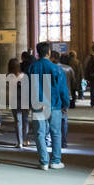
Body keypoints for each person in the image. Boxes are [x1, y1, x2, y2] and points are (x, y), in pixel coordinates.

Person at [29, 41, 69, 170]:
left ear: (38, 53)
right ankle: (55, 161)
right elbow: (63, 88)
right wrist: (65, 104)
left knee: (40, 133)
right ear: (49, 53)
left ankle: (44, 162)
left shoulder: (32, 68)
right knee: (56, 133)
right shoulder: (56, 68)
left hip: (38, 104)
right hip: (54, 104)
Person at [7, 58, 31, 148]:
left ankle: (19, 142)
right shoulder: (24, 76)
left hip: (14, 100)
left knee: (18, 121)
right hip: (25, 100)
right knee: (25, 121)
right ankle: (25, 140)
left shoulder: (9, 76)